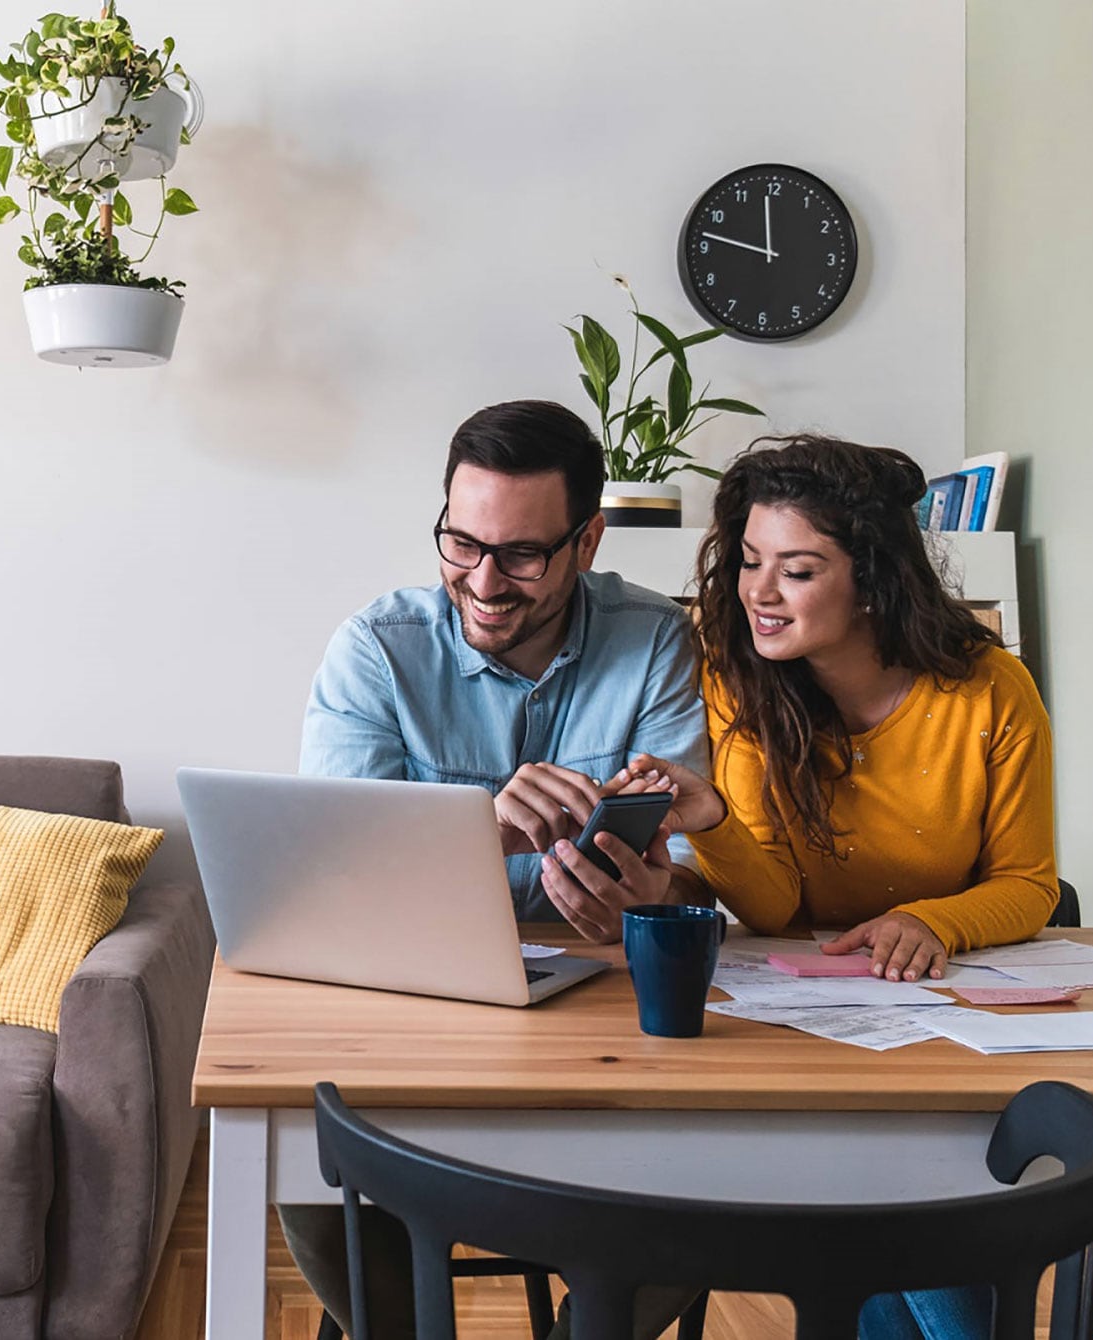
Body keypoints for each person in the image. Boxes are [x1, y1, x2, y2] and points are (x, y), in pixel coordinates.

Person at [285, 398, 710, 1339]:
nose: (483, 580)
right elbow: (333, 872)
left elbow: (689, 865)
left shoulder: (656, 644)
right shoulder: (377, 649)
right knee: (308, 1163)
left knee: (712, 1169)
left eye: (521, 554)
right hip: (412, 1006)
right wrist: (476, 829)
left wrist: (655, 899)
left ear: (588, 540)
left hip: (602, 1016)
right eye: (459, 542)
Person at [621, 433, 1058, 1340]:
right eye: (748, 562)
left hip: (945, 1025)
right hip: (811, 1026)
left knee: (899, 1228)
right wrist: (711, 822)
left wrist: (931, 920)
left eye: (798, 569)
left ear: (872, 580)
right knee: (888, 1236)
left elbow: (1029, 882)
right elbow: (778, 907)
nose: (759, 593)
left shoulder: (991, 693)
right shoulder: (742, 684)